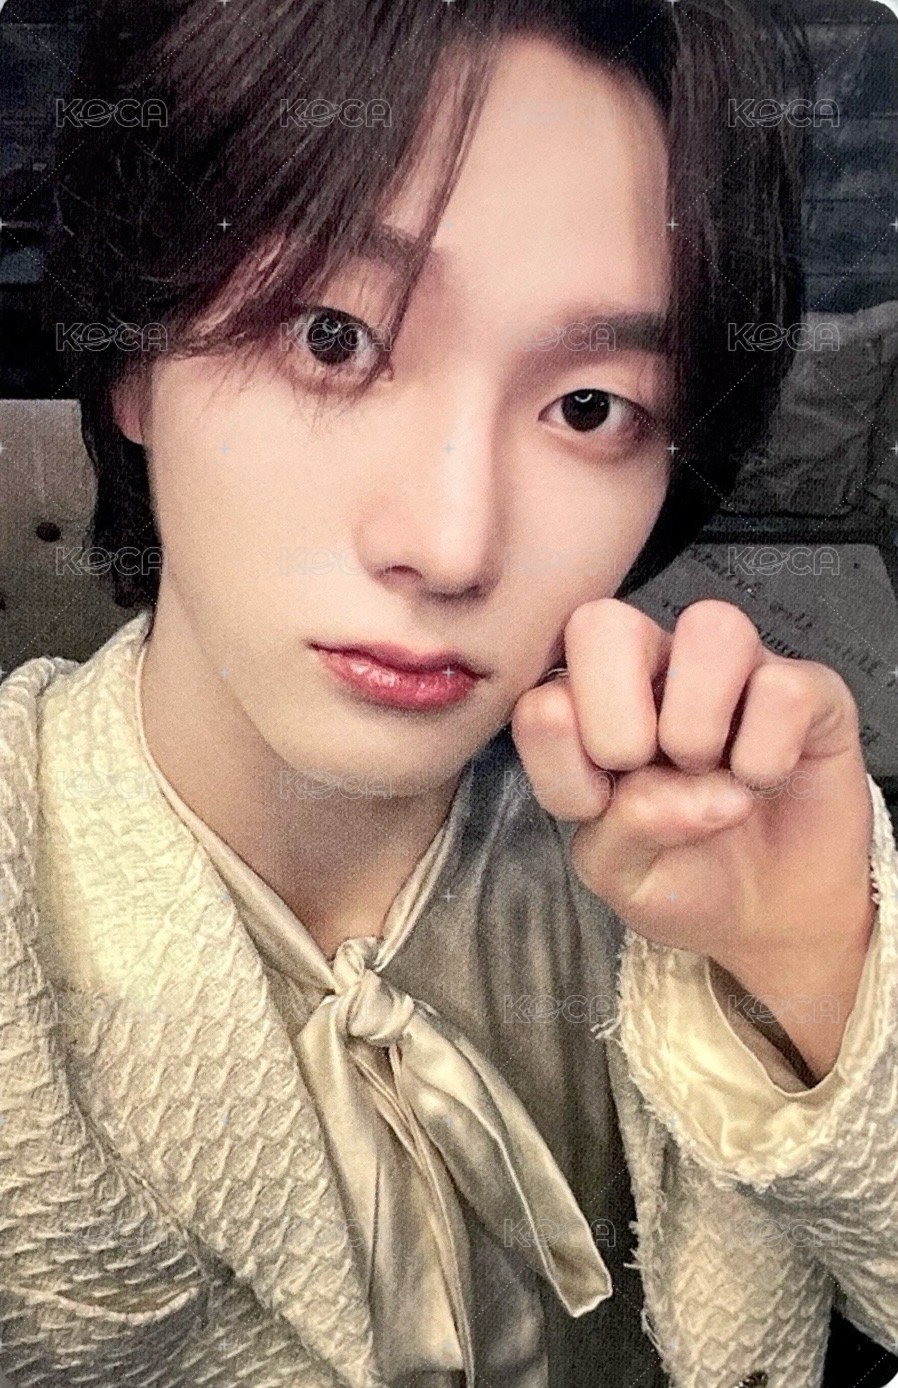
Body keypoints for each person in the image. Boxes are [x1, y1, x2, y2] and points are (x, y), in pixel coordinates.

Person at [0, 0, 895, 1384]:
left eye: (589, 407)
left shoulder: (741, 844)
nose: (452, 543)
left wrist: (819, 982)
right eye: (332, 337)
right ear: (134, 357)